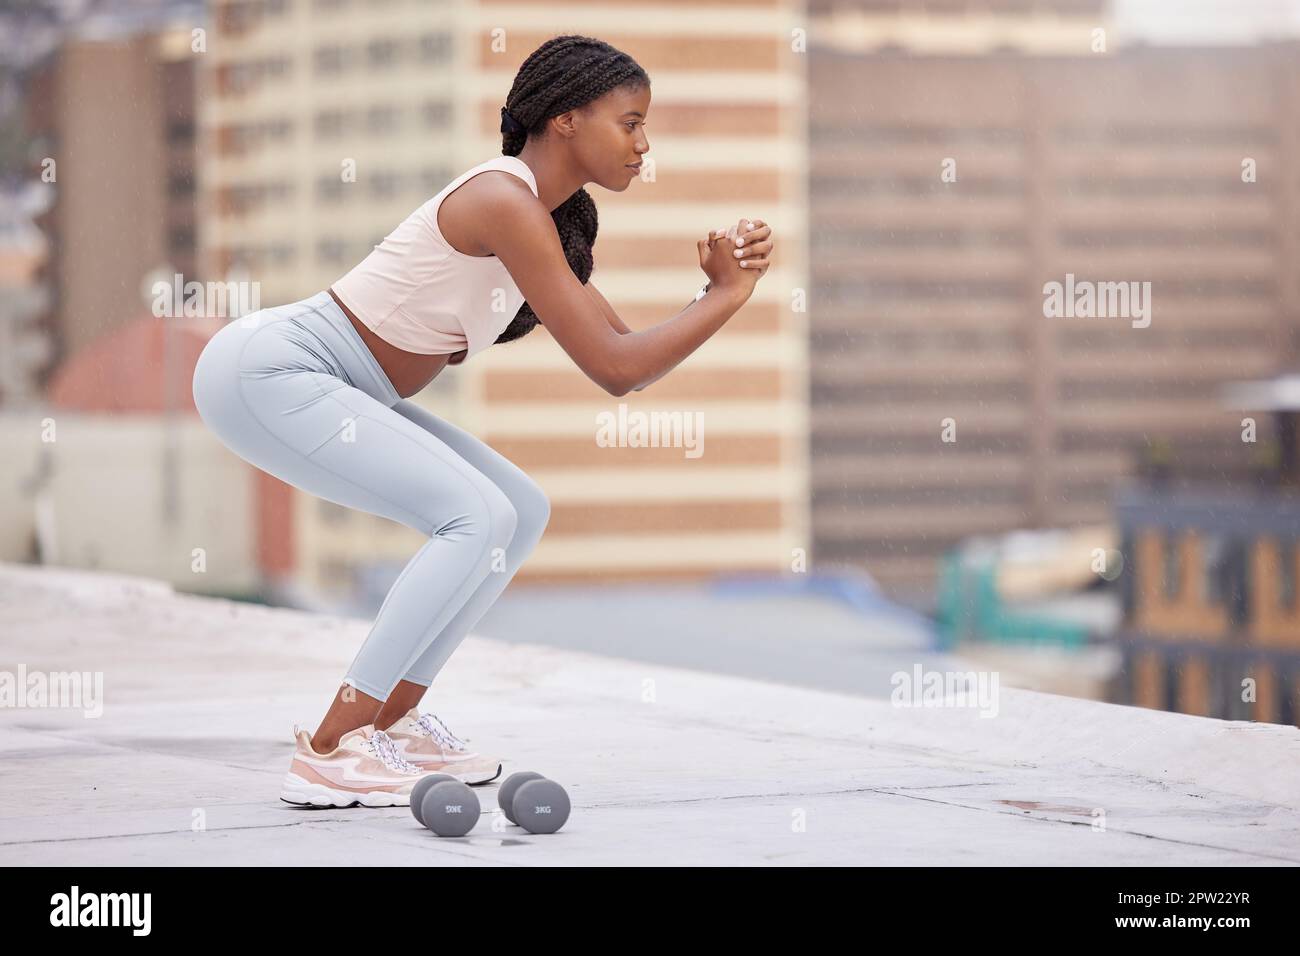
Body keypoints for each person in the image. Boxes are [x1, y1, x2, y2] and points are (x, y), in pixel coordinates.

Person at [190, 34, 774, 808]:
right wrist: (726, 298)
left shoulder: (545, 223)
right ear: (565, 120)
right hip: (273, 371)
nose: (644, 144)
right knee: (473, 513)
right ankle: (333, 747)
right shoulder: (503, 200)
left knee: (519, 511)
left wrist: (713, 292)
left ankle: (391, 723)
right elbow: (617, 368)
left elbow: (622, 354)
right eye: (630, 123)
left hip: (346, 390)